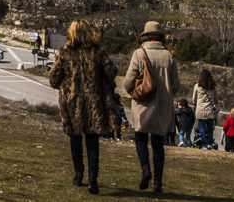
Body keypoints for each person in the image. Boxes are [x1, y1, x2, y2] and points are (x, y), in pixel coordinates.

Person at [48, 20, 118, 195]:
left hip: (72, 102)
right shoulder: (97, 52)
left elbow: (53, 79)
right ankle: (93, 178)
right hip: (94, 101)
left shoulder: (65, 53)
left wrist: (66, 85)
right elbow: (111, 71)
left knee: (75, 138)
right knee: (93, 141)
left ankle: (79, 173)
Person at [123, 21, 179, 194]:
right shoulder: (169, 57)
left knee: (140, 138)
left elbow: (127, 82)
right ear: (160, 37)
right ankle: (158, 181)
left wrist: (135, 92)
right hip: (162, 107)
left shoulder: (139, 54)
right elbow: (176, 85)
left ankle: (145, 169)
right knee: (157, 144)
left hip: (143, 104)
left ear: (145, 36)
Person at [192, 69, 218, 150]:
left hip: (200, 109)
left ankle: (204, 144)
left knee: (201, 128)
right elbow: (216, 99)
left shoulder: (197, 86)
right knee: (210, 128)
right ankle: (210, 143)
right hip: (210, 110)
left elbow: (194, 99)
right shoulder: (213, 87)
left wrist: (196, 105)